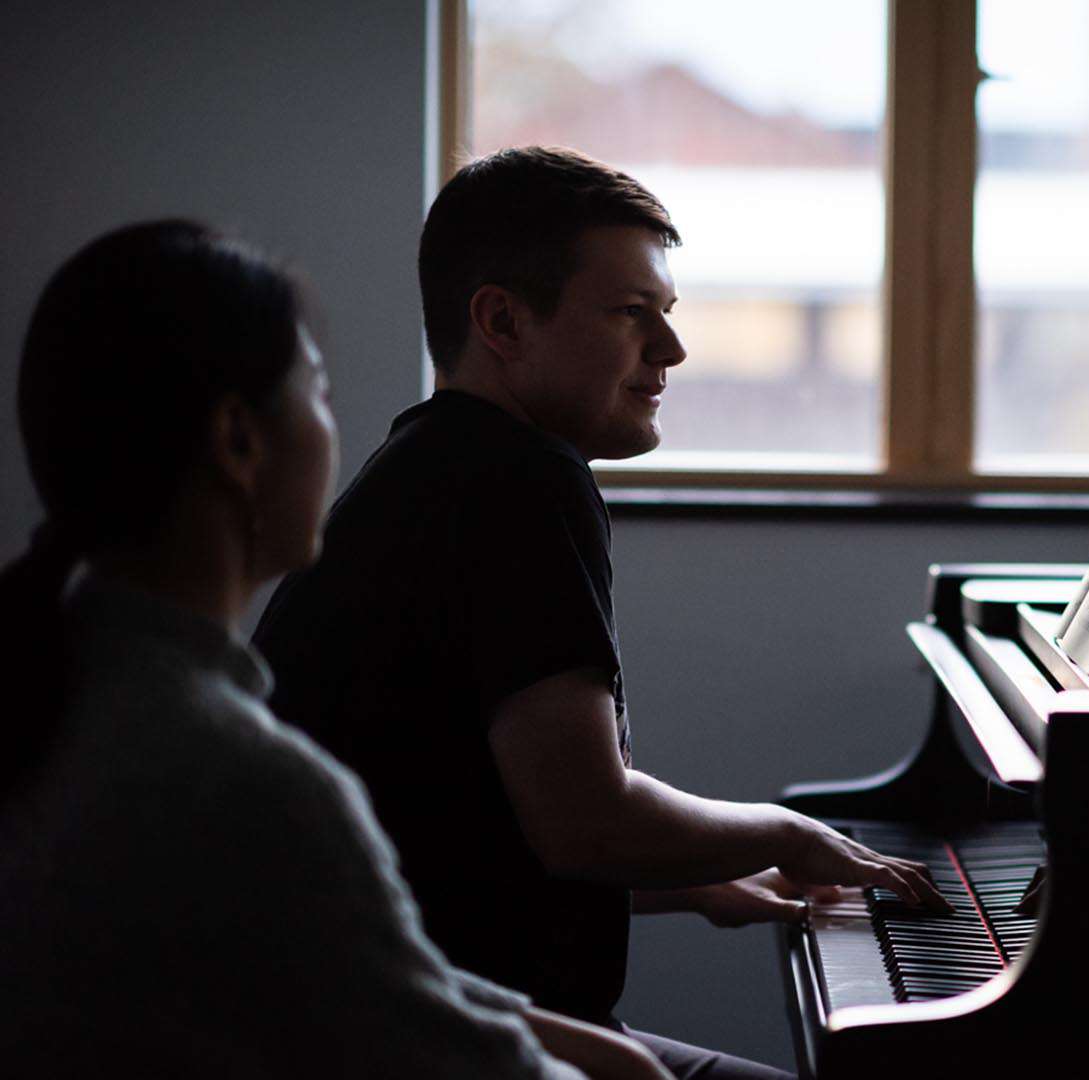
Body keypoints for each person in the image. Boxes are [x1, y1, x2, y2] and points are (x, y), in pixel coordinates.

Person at [252, 147, 946, 1080]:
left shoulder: (431, 466)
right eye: (632, 315)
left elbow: (461, 828)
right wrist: (787, 831)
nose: (671, 351)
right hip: (433, 1041)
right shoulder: (519, 480)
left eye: (667, 315)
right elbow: (584, 820)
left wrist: (702, 882)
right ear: (501, 319)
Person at [0, 220, 669, 1079]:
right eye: (316, 391)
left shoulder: (69, 689)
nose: (336, 428)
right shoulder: (242, 780)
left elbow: (376, 973)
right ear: (241, 444)